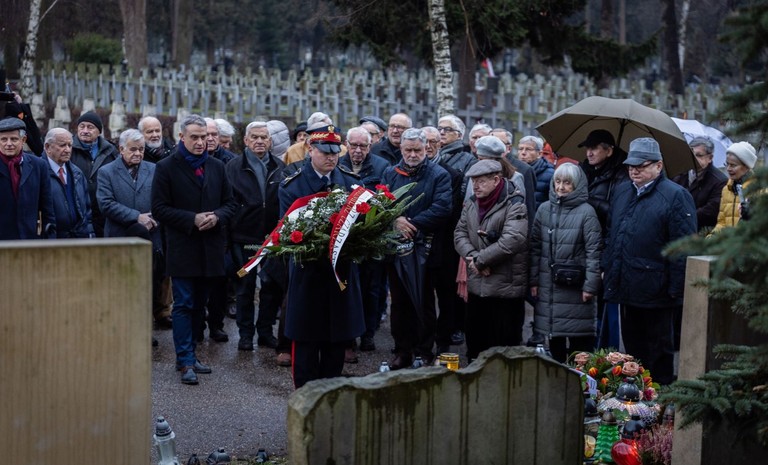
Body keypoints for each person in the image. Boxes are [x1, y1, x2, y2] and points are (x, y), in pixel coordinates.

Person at [602, 137, 697, 385]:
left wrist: (676, 290)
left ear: (658, 165)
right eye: (631, 165)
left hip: (658, 291)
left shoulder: (676, 195)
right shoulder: (623, 190)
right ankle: (634, 397)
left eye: (641, 165)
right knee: (632, 351)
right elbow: (612, 234)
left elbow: (683, 246)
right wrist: (608, 267)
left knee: (658, 352)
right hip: (626, 285)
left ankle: (659, 399)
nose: (634, 170)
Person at [151, 114, 237, 385]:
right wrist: (192, 219)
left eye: (205, 137)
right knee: (184, 303)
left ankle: (192, 354)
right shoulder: (166, 167)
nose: (202, 142)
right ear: (182, 137)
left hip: (210, 247)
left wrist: (217, 217)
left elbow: (230, 204)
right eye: (195, 137)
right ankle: (185, 359)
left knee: (200, 304)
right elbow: (159, 208)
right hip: (183, 247)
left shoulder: (216, 167)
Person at [278, 125, 365, 388]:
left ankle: (331, 396)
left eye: (335, 152)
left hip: (341, 272)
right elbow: (287, 229)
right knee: (306, 339)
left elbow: (363, 225)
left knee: (336, 339)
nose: (331, 157)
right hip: (309, 272)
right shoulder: (293, 185)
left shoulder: (351, 183)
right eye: (325, 152)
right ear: (310, 149)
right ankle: (305, 399)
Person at [381, 128, 452, 369]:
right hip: (396, 248)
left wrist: (410, 223)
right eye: (408, 150)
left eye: (417, 150)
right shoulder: (390, 172)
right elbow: (382, 204)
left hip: (426, 248)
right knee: (399, 302)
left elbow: (442, 208)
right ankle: (403, 350)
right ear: (401, 149)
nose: (412, 155)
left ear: (426, 149)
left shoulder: (439, 174)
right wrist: (396, 220)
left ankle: (424, 349)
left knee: (423, 301)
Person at [454, 159, 528, 360]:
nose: (475, 186)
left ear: (496, 180)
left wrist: (480, 261)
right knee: (476, 347)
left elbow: (513, 239)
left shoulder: (515, 203)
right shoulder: (472, 202)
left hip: (505, 289)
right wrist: (474, 258)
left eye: (481, 181)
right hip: (478, 286)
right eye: (473, 181)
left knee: (503, 351)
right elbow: (459, 234)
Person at [97, 129, 171, 332]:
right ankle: (121, 328)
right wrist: (136, 217)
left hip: (151, 236)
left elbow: (163, 200)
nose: (138, 153)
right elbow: (106, 204)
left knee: (149, 284)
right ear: (121, 149)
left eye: (141, 149)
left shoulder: (153, 169)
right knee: (121, 285)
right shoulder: (107, 172)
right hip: (120, 237)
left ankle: (144, 329)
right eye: (133, 149)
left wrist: (152, 219)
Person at [529, 163, 602, 362]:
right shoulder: (544, 209)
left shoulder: (587, 212)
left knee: (581, 348)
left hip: (577, 288)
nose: (561, 187)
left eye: (567, 183)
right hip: (549, 286)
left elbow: (594, 252)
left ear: (577, 185)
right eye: (558, 181)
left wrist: (590, 286)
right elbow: (535, 248)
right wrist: (534, 281)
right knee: (555, 343)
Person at [225, 121, 286, 352]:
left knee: (271, 287)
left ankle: (265, 332)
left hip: (272, 238)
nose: (259, 141)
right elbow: (228, 202)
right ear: (246, 140)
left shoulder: (280, 166)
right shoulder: (232, 167)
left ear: (270, 141)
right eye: (255, 137)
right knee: (245, 288)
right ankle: (245, 335)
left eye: (264, 137)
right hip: (243, 236)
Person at [337, 126, 390, 355]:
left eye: (363, 146)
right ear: (346, 145)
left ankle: (368, 333)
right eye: (354, 145)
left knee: (371, 289)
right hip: (345, 238)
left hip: (371, 237)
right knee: (347, 288)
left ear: (370, 146)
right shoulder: (338, 165)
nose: (358, 150)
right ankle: (347, 336)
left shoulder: (382, 166)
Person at [577, 129, 630, 349]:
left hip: (605, 243)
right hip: (583, 241)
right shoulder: (583, 170)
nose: (589, 153)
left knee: (604, 305)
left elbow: (618, 213)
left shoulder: (622, 175)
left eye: (594, 148)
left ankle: (606, 352)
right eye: (587, 148)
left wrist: (591, 202)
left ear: (609, 151)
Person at [0, 117, 55, 240]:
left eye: (14, 139)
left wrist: (49, 240)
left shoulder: (39, 166)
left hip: (29, 240)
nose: (8, 144)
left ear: (23, 140)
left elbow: (47, 209)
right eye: (3, 139)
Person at [70, 111, 118, 237]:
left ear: (99, 131)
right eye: (82, 126)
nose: (85, 131)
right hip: (77, 212)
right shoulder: (69, 149)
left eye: (90, 127)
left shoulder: (111, 151)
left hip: (104, 214)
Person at [44, 128, 94, 238]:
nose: (67, 150)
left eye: (70, 145)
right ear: (48, 147)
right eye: (62, 145)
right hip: (51, 240)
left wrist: (90, 235)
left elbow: (87, 211)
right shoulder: (38, 172)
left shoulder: (77, 173)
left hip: (78, 239)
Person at [672, 137, 728, 231]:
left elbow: (710, 211)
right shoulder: (679, 174)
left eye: (699, 155)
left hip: (701, 231)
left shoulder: (719, 181)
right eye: (691, 154)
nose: (693, 158)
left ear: (710, 158)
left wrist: (684, 216)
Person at [491, 127, 536, 232]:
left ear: (508, 148)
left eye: (499, 143)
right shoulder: (479, 165)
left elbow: (528, 207)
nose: (493, 146)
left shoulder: (523, 170)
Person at [711, 141, 757, 234]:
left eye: (733, 165)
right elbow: (722, 223)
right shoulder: (726, 189)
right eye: (727, 164)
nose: (728, 169)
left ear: (746, 166)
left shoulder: (758, 190)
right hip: (729, 242)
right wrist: (710, 238)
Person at [518, 135, 553, 212]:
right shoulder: (512, 170)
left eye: (528, 149)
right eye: (520, 149)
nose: (523, 153)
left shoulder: (550, 174)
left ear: (539, 154)